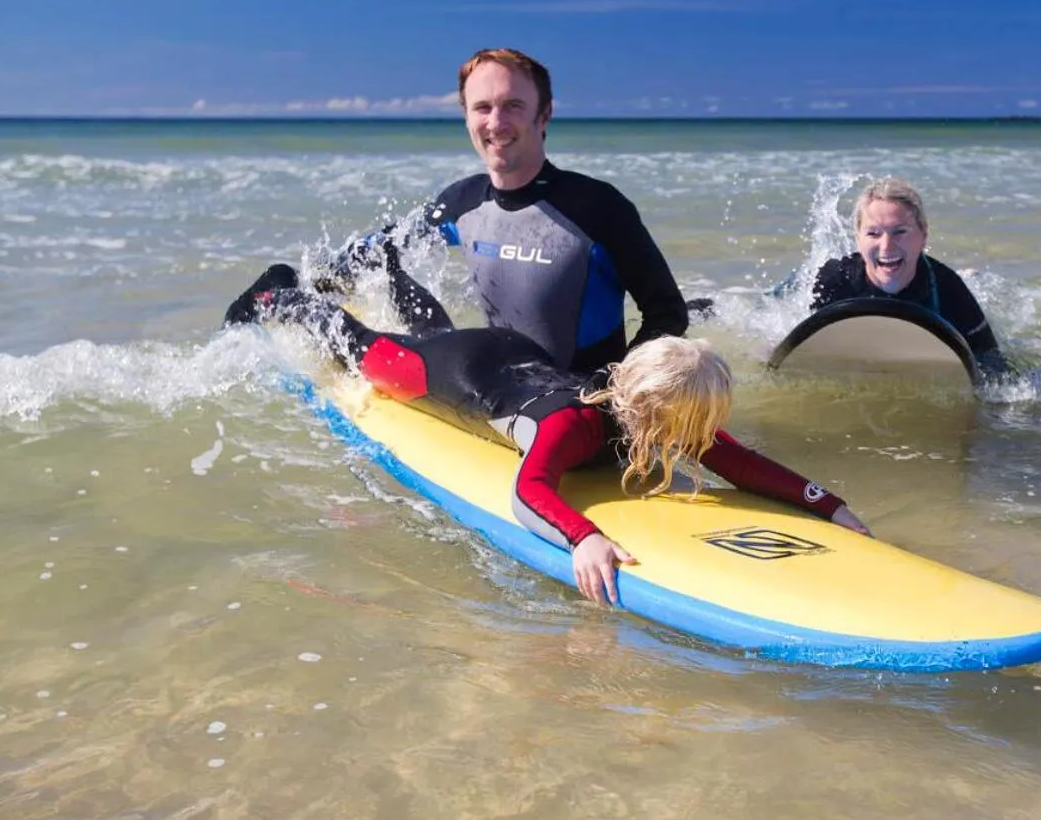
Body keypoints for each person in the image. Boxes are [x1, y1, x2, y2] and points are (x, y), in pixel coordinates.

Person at [224, 249, 868, 605]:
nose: (701, 438)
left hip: (513, 354)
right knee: (363, 347)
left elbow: (740, 462)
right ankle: (280, 292)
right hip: (462, 374)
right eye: (695, 423)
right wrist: (583, 537)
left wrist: (829, 505)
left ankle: (387, 271)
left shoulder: (653, 413)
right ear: (653, 411)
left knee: (437, 329)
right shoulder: (573, 426)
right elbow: (530, 490)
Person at [331, 48, 689, 376]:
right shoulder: (463, 201)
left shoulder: (598, 208)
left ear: (544, 114)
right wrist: (327, 277)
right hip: (502, 389)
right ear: (466, 116)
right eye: (482, 107)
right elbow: (388, 243)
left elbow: (667, 313)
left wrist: (617, 385)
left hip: (581, 407)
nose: (496, 122)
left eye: (513, 105)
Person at [808, 177, 1010, 375]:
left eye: (900, 232)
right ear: (858, 239)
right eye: (873, 233)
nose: (887, 246)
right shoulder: (834, 280)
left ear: (923, 236)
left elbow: (994, 366)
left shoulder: (949, 288)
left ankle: (971, 277)